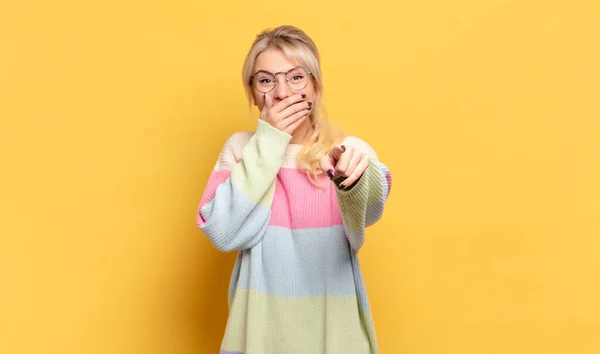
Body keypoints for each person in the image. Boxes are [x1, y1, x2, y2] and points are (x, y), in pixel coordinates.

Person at [196, 25, 392, 354]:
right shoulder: (243, 149)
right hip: (258, 337)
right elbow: (222, 231)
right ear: (253, 92)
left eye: (296, 77)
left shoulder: (346, 151)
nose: (282, 92)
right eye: (266, 80)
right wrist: (269, 142)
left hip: (336, 337)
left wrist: (356, 178)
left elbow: (370, 206)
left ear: (315, 87)